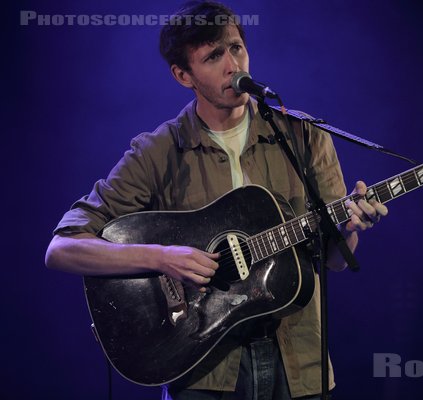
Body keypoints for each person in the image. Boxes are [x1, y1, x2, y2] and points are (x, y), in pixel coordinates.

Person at [45, 1, 388, 399]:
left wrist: (348, 227)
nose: (233, 66)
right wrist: (162, 257)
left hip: (299, 362)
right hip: (205, 368)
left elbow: (333, 260)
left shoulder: (304, 135)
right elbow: (62, 248)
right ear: (182, 75)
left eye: (236, 48)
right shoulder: (158, 151)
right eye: (213, 56)